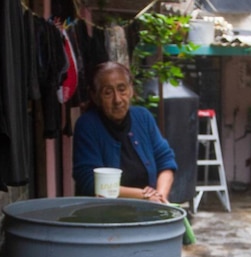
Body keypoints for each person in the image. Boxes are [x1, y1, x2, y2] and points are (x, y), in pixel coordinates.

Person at [73, 61, 177, 203]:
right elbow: (89, 182)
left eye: (122, 89)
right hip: (102, 217)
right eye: (108, 93)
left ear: (131, 90)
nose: (117, 99)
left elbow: (165, 161)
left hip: (147, 212)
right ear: (95, 97)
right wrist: (143, 195)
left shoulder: (143, 117)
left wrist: (160, 197)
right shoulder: (87, 125)